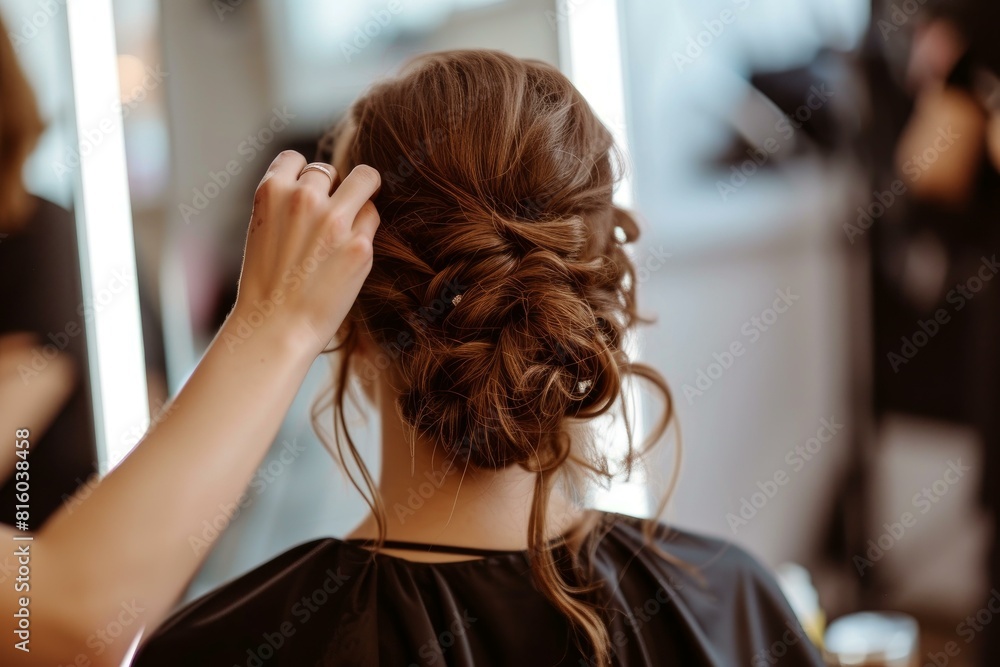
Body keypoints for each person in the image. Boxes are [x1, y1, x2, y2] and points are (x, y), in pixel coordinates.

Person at [1, 51, 823, 666]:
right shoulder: (735, 602)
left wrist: (270, 323)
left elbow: (60, 614)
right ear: (594, 301)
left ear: (352, 324)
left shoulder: (233, 642)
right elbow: (60, 612)